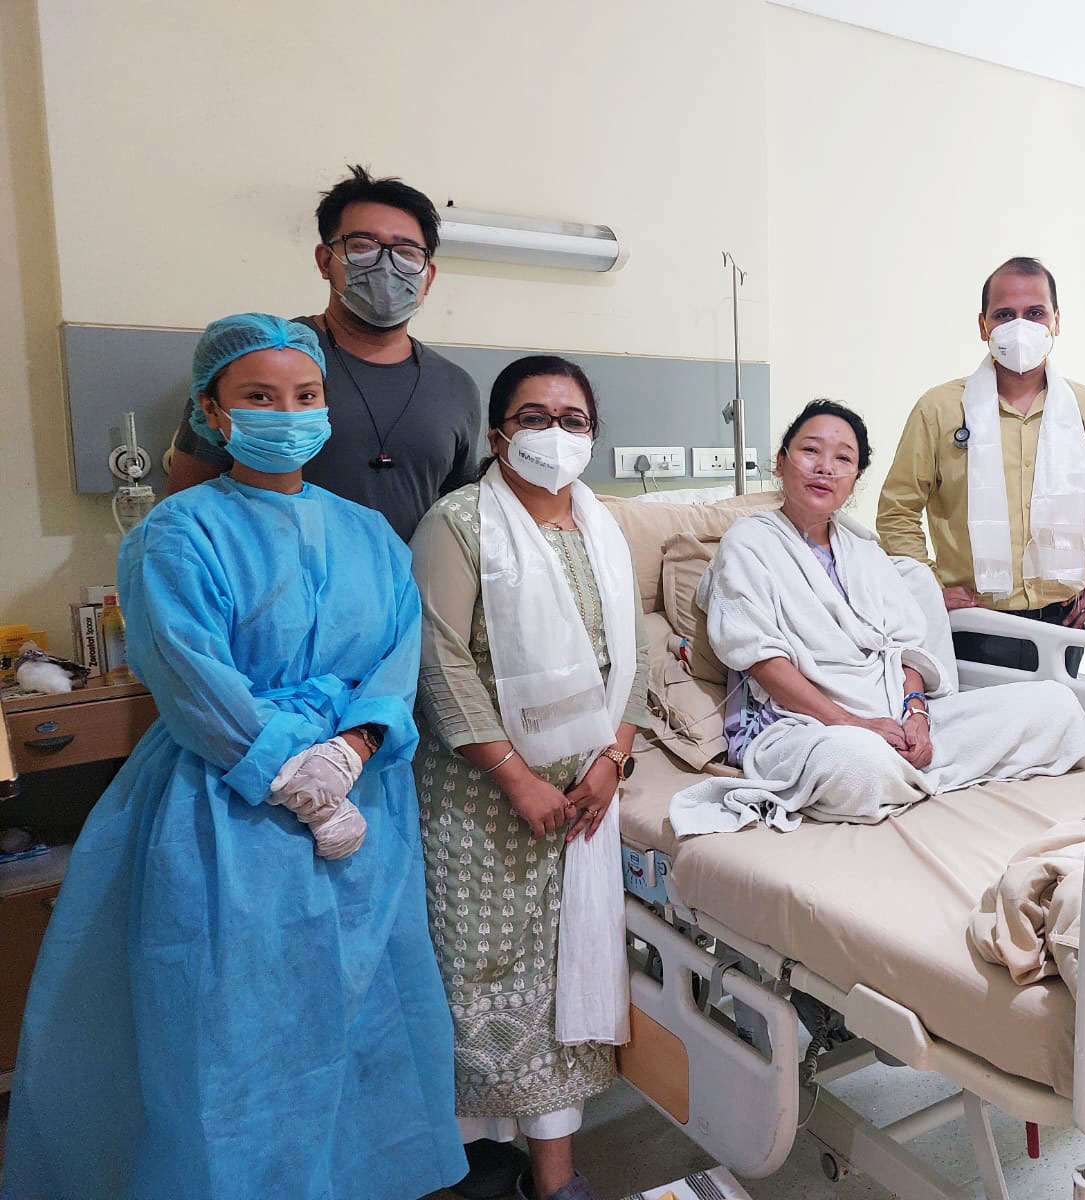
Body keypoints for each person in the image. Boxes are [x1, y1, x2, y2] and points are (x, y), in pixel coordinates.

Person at [1, 315, 465, 1199]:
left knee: (362, 1018)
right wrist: (302, 782)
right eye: (259, 396)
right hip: (230, 808)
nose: (287, 413)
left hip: (365, 803)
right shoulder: (177, 533)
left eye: (305, 395)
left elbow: (396, 655)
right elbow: (193, 681)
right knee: (237, 1036)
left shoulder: (369, 533)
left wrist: (353, 747)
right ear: (212, 413)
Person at [409, 355, 646, 1200]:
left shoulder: (604, 527)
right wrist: (515, 778)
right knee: (476, 981)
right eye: (534, 417)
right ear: (498, 433)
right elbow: (438, 662)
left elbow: (633, 660)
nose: (555, 433)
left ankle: (555, 1177)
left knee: (561, 988)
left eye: (573, 420)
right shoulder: (458, 523)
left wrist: (612, 762)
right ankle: (459, 1174)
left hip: (583, 801)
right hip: (481, 802)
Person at [670, 399, 1085, 836]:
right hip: (803, 727)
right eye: (810, 451)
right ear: (781, 462)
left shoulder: (865, 553)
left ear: (855, 478)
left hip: (892, 714)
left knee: (1057, 707)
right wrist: (854, 724)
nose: (825, 467)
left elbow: (906, 651)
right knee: (858, 765)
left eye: (843, 459)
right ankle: (911, 770)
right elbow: (761, 659)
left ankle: (909, 768)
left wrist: (917, 717)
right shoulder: (748, 544)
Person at [168, 166, 481, 544]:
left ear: (427, 276)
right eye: (362, 246)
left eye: (406, 252)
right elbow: (186, 505)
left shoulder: (456, 387)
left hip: (405, 581)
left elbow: (456, 516)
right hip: (264, 575)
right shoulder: (261, 361)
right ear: (325, 260)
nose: (386, 265)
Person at [877, 257, 1085, 671]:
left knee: (1059, 713)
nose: (1020, 326)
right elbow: (897, 511)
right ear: (983, 326)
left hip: (1064, 622)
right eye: (1004, 315)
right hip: (973, 623)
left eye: (1035, 313)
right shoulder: (940, 409)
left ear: (1056, 321)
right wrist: (928, 586)